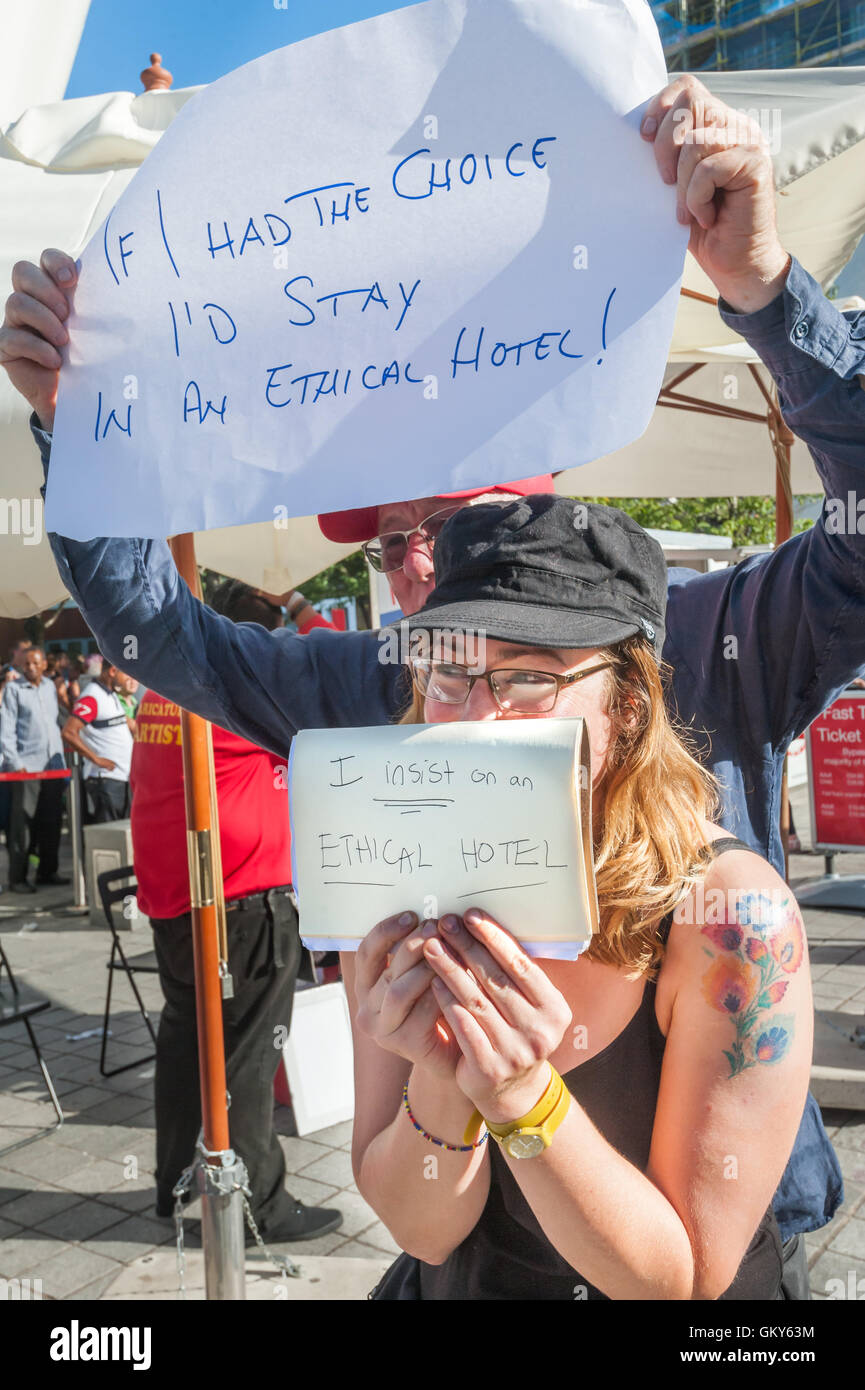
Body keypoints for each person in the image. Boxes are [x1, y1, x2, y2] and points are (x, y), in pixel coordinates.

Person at [3, 73, 863, 1291]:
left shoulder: (706, 629)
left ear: (625, 700)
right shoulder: (389, 685)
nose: (413, 565)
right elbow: (163, 636)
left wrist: (768, 293)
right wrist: (79, 434)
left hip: (704, 1217)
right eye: (385, 534)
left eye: (440, 520)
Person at [348, 495, 812, 1300]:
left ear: (626, 708)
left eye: (528, 677)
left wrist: (522, 1097)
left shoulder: (731, 919)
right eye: (452, 671)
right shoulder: (394, 878)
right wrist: (439, 1074)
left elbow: (680, 1281)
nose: (479, 717)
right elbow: (420, 1229)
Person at [131, 579, 342, 1242]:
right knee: (248, 1056)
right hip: (243, 899)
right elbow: (347, 667)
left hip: (181, 900)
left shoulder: (161, 685)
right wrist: (305, 610)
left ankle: (171, 1187)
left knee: (186, 1049)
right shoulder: (240, 687)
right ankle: (260, 1206)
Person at [0, 646, 69, 891]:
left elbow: (54, 723)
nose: (30, 667)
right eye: (26, 664)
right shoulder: (14, 689)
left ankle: (47, 872)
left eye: (34, 663)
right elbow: (6, 730)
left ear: (43, 665)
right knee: (23, 827)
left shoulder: (50, 687)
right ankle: (18, 879)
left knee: (51, 822)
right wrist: (16, 763)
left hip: (53, 766)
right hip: (25, 769)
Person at [61, 658, 138, 822]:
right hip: (106, 780)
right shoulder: (92, 696)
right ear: (112, 671)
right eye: (126, 674)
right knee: (110, 837)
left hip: (121, 777)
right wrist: (96, 759)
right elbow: (69, 732)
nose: (131, 679)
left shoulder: (110, 694)